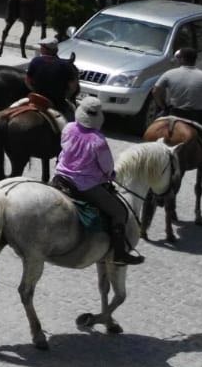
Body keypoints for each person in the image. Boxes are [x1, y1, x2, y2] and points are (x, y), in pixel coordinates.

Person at [53, 97, 145, 266]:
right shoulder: (98, 140)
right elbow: (107, 167)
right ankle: (119, 254)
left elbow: (64, 150)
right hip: (84, 186)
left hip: (60, 177)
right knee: (119, 212)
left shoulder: (68, 127)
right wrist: (111, 175)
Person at [151, 47, 202, 179]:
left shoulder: (169, 73)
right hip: (198, 116)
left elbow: (156, 91)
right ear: (195, 60)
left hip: (173, 112)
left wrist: (162, 106)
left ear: (181, 59)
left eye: (178, 58)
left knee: (151, 128)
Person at [25, 35, 79, 120]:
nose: (40, 49)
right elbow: (73, 87)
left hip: (36, 99)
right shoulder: (65, 65)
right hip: (57, 102)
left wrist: (35, 90)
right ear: (56, 50)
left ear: (45, 49)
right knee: (71, 117)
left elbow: (27, 81)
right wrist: (66, 96)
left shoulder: (35, 61)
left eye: (42, 47)